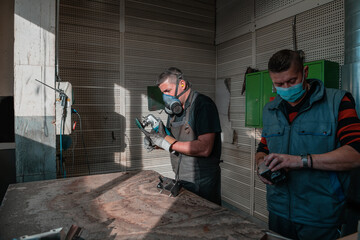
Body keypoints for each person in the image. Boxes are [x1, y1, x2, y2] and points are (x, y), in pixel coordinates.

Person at [255, 49, 360, 240]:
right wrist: (262, 166)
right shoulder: (270, 109)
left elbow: (355, 154)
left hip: (320, 215)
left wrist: (299, 161)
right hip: (278, 211)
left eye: (292, 81)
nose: (286, 87)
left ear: (305, 72)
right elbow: (263, 148)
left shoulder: (338, 102)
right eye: (279, 84)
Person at [145, 67, 222, 205]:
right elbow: (175, 143)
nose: (165, 97)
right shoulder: (175, 112)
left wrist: (167, 143)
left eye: (167, 91)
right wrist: (156, 143)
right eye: (163, 93)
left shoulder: (203, 105)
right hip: (181, 176)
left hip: (202, 181)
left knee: (205, 220)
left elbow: (205, 148)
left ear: (182, 84)